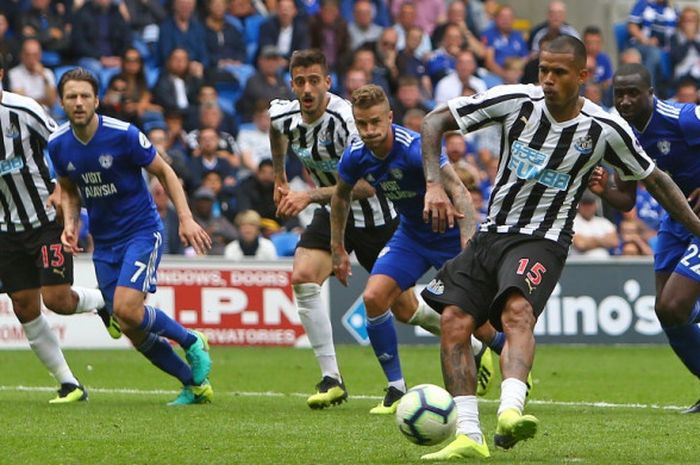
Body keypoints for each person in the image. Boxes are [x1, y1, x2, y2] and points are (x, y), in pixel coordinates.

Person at [418, 36, 700, 460]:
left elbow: (654, 179)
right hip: (492, 232)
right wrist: (433, 184)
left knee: (516, 310)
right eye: (543, 71)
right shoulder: (514, 100)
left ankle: (511, 411)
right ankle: (469, 435)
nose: (547, 80)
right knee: (455, 321)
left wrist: (696, 226)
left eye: (559, 72)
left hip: (544, 238)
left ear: (583, 76)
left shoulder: (605, 129)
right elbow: (433, 121)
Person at [270, 49, 440, 410]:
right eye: (299, 81)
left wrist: (307, 196)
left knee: (406, 310)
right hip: (333, 214)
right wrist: (279, 176)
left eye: (314, 80)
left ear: (327, 82)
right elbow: (275, 129)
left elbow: (368, 185)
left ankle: (473, 345)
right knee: (302, 276)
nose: (307, 89)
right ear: (292, 84)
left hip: (377, 217)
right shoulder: (284, 115)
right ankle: (331, 378)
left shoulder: (349, 119)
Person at [330, 84, 501, 414]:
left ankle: (512, 363)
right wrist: (337, 247)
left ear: (390, 117)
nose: (369, 131)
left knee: (479, 323)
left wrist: (468, 246)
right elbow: (340, 196)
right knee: (374, 297)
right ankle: (396, 389)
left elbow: (460, 192)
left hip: (450, 237)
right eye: (362, 123)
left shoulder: (414, 148)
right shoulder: (355, 155)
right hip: (410, 236)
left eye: (375, 122)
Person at [49, 68, 214, 406]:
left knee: (126, 308)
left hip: (141, 231)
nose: (78, 103)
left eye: (84, 96)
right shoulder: (58, 145)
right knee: (130, 326)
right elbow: (68, 189)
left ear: (96, 100)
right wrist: (70, 223)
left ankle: (191, 339)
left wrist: (185, 218)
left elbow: (164, 171)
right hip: (104, 242)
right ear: (62, 102)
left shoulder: (123, 135)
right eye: (71, 97)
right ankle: (193, 385)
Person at [0, 58, 115, 404]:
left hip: (45, 219)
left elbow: (63, 140)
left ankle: (104, 301)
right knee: (23, 305)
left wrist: (59, 187)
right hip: (5, 228)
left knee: (57, 300)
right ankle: (69, 383)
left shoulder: (22, 109)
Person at [589, 62, 700, 414]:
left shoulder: (684, 118)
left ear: (650, 93)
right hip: (675, 221)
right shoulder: (620, 133)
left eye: (633, 93)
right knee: (667, 312)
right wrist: (604, 189)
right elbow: (627, 199)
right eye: (618, 94)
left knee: (673, 305)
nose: (624, 100)